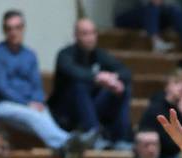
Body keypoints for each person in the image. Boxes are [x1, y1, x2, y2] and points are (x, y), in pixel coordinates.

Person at [0, 10, 95, 156]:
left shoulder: (30, 55)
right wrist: (26, 103)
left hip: (29, 105)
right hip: (2, 105)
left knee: (42, 111)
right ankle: (66, 141)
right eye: (9, 28)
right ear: (4, 30)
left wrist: (38, 101)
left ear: (23, 29)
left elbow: (36, 85)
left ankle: (64, 145)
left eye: (17, 27)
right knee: (33, 115)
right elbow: (1, 88)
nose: (13, 32)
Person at [48, 18, 132, 149]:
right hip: (67, 112)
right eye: (85, 33)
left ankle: (121, 138)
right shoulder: (65, 54)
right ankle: (94, 134)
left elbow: (126, 72)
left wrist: (113, 78)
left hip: (92, 107)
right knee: (79, 84)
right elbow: (73, 71)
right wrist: (98, 77)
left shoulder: (99, 54)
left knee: (121, 87)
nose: (90, 38)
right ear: (76, 35)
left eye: (93, 33)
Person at [138, 68, 182, 158]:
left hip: (178, 156)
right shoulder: (156, 107)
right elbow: (167, 144)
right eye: (177, 83)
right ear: (167, 86)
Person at [114, 0, 182, 52]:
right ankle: (156, 42)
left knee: (174, 10)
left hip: (149, 15)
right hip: (125, 15)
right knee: (152, 7)